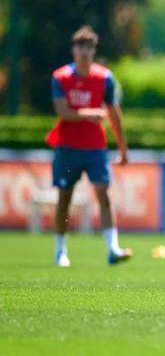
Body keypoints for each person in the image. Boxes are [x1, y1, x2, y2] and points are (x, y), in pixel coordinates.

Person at [46, 26, 131, 267]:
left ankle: (112, 249)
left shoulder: (105, 78)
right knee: (65, 197)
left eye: (88, 47)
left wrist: (123, 148)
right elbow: (62, 112)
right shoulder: (60, 77)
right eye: (80, 46)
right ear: (73, 49)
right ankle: (60, 251)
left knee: (104, 194)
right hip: (67, 147)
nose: (84, 51)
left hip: (95, 148)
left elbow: (114, 113)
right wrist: (90, 113)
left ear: (94, 50)